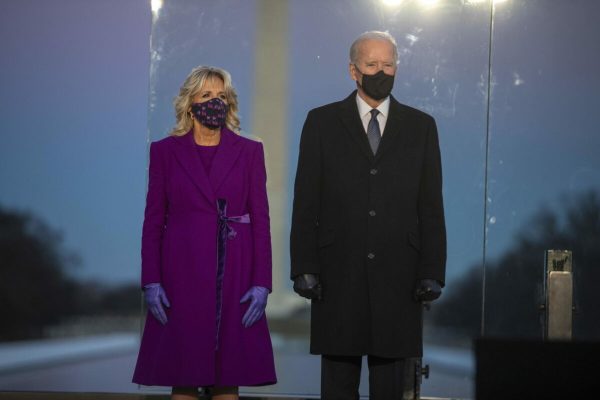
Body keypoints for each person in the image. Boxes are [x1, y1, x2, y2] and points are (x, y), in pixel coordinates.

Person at [290, 31, 446, 400]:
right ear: (353, 70)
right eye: (372, 64)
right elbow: (305, 202)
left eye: (388, 64)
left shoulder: (422, 127)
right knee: (338, 388)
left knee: (391, 389)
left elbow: (431, 206)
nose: (382, 71)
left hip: (400, 277)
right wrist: (303, 267)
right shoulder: (321, 122)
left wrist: (432, 271)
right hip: (337, 275)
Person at [132, 66, 277, 400]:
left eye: (221, 96)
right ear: (189, 103)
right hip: (180, 274)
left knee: (228, 376)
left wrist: (261, 283)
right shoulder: (165, 152)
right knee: (183, 374)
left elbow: (261, 222)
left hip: (235, 274)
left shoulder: (250, 151)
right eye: (207, 95)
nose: (215, 102)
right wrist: (151, 280)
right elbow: (153, 221)